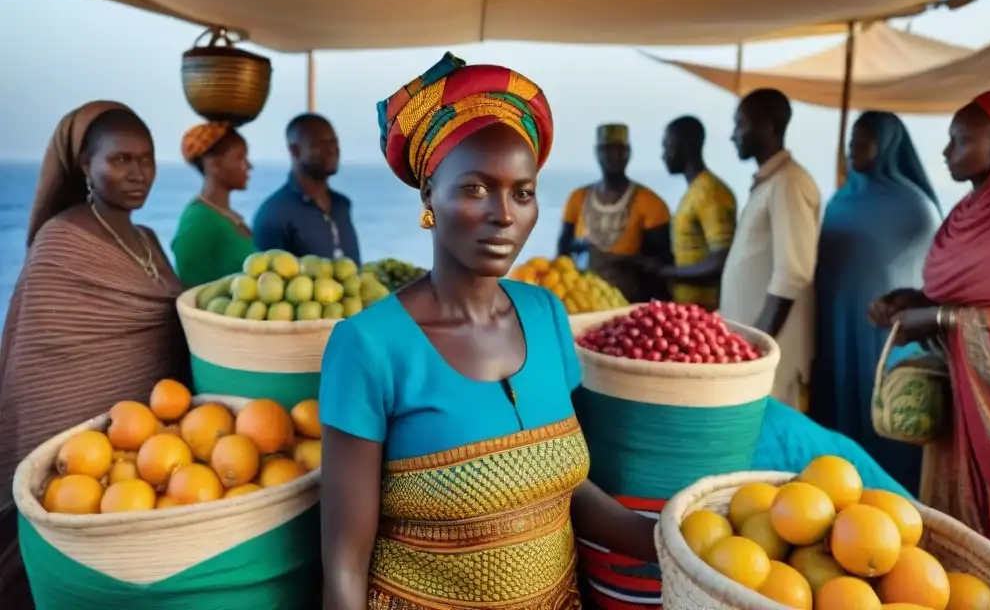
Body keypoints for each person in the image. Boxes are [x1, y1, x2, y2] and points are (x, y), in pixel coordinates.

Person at [319, 53, 658, 609]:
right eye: (477, 188)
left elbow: (564, 491)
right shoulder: (368, 347)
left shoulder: (547, 316)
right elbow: (344, 569)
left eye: (522, 192)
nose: (505, 214)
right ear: (429, 196)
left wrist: (672, 541)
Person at [0, 102, 189, 608]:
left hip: (146, 447)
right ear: (86, 164)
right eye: (121, 160)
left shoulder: (148, 238)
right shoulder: (61, 240)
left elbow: (165, 325)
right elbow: (44, 368)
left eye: (146, 160)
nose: (138, 174)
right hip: (78, 454)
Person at [869, 89, 990, 564]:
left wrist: (938, 318)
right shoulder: (966, 212)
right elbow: (965, 292)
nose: (946, 151)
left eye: (961, 139)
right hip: (962, 397)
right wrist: (914, 300)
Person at [811, 111, 941, 493]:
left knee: (880, 413)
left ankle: (889, 495)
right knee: (837, 405)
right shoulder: (841, 198)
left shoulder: (915, 208)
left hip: (880, 332)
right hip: (836, 322)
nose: (853, 150)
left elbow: (931, 275)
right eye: (851, 142)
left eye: (863, 141)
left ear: (886, 146)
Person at [720, 88, 821, 412]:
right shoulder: (772, 182)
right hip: (753, 353)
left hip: (771, 356)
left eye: (741, 124)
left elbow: (793, 273)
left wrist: (758, 346)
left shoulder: (789, 183)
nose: (733, 135)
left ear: (768, 126)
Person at [557, 124, 672, 302]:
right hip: (582, 301)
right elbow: (562, 254)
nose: (613, 156)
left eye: (619, 149)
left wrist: (624, 261)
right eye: (606, 149)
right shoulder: (577, 199)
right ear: (597, 152)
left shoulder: (651, 203)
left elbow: (661, 265)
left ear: (629, 153)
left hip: (630, 303)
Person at [252, 114, 360, 264]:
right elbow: (267, 281)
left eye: (333, 142)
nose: (331, 150)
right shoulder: (275, 215)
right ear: (295, 150)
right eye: (319, 144)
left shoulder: (342, 205)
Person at [658, 115, 737, 310]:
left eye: (667, 146)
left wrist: (667, 272)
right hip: (689, 311)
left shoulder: (710, 193)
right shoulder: (694, 192)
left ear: (684, 147)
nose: (664, 155)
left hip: (708, 312)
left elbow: (721, 261)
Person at [171, 122, 255, 287]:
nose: (249, 166)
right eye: (240, 157)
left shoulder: (225, 215)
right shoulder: (199, 222)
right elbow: (187, 292)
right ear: (213, 165)